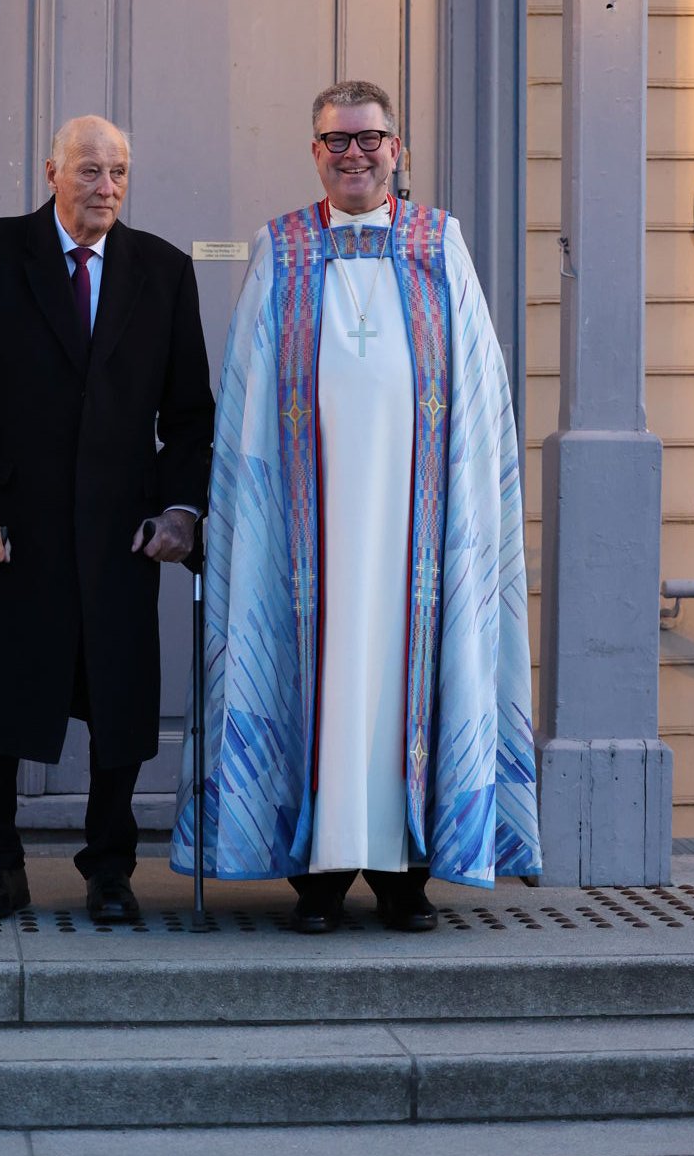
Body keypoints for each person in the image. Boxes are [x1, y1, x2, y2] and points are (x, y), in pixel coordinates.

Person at [171, 81, 541, 932]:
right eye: (336, 141)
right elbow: (248, 397)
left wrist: (472, 510)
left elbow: (482, 396)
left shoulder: (441, 244)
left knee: (414, 676)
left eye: (368, 138)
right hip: (309, 533)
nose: (354, 154)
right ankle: (320, 876)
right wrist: (254, 520)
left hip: (421, 525)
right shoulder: (282, 247)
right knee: (316, 677)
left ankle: (408, 874)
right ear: (315, 153)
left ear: (395, 147)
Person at [0, 115, 214, 922]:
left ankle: (110, 871)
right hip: (5, 530)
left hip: (119, 531)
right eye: (89, 170)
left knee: (117, 705)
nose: (105, 187)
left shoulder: (162, 270)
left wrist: (182, 511)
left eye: (118, 171)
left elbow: (189, 416)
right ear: (52, 172)